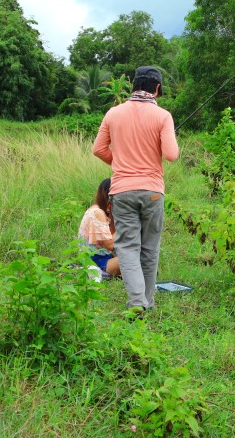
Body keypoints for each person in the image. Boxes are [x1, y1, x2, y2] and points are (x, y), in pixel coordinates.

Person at [92, 66, 180, 313]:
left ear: (133, 86)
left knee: (128, 247)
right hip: (152, 191)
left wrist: (120, 164)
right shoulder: (163, 116)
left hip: (121, 191)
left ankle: (137, 303)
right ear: (158, 88)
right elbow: (172, 155)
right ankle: (147, 303)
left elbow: (98, 149)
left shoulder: (113, 113)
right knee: (150, 249)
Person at [78, 178, 120, 279]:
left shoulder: (100, 210)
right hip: (96, 261)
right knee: (136, 258)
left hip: (101, 258)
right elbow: (109, 245)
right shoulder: (98, 212)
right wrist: (128, 227)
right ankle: (99, 273)